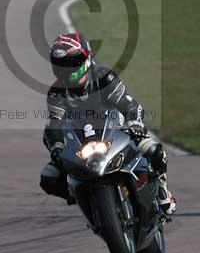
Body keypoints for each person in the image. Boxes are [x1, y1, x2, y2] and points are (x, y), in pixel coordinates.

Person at [39, 32, 176, 215]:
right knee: (49, 177)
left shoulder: (104, 77)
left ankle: (161, 190)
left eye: (73, 62)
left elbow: (130, 104)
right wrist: (56, 147)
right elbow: (55, 123)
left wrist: (134, 125)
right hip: (81, 143)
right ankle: (85, 200)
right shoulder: (56, 93)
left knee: (154, 151)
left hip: (117, 132)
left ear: (86, 58)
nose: (67, 69)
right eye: (61, 65)